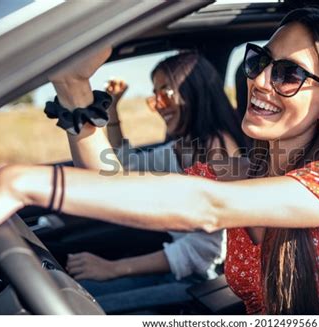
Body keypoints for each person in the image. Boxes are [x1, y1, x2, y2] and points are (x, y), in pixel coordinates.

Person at [0, 8, 319, 315]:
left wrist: (20, 180)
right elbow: (107, 179)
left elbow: (206, 205)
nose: (260, 81)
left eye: (289, 74)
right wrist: (73, 86)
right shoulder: (243, 173)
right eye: (260, 62)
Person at [64, 52, 250, 313]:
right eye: (154, 97)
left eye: (166, 94)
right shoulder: (181, 147)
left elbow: (205, 250)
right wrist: (113, 110)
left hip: (209, 282)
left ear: (194, 92)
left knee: (90, 310)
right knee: (79, 296)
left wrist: (111, 268)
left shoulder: (220, 151)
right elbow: (118, 169)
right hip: (181, 269)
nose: (159, 105)